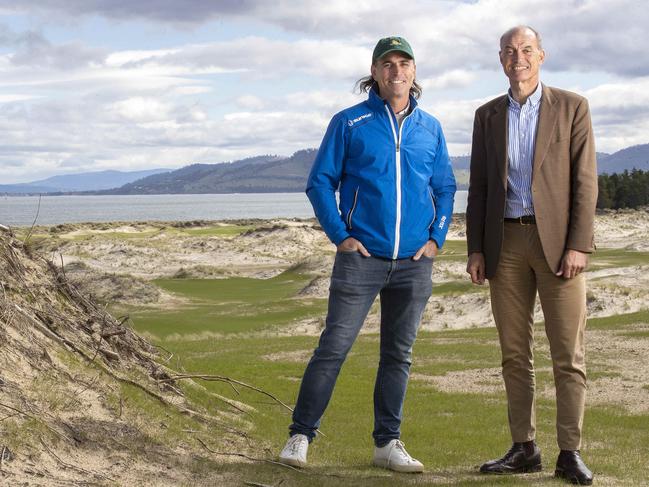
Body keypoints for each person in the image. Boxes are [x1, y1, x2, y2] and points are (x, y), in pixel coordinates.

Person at [278, 36, 456, 472]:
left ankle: (387, 444)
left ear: (414, 72)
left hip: (414, 263)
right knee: (334, 347)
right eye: (388, 63)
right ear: (374, 72)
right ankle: (300, 436)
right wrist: (340, 235)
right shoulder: (349, 123)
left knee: (399, 354)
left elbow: (445, 186)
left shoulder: (430, 127)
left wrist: (437, 238)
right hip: (361, 259)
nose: (397, 70)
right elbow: (320, 182)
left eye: (404, 63)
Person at [466, 26, 597, 485]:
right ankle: (524, 448)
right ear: (500, 59)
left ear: (541, 55)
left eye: (525, 50)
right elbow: (479, 187)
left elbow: (584, 181)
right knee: (514, 354)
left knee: (568, 354)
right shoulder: (487, 115)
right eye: (508, 51)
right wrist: (476, 249)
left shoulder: (572, 106)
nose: (516, 58)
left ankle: (569, 452)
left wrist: (579, 243)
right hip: (504, 245)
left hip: (559, 246)